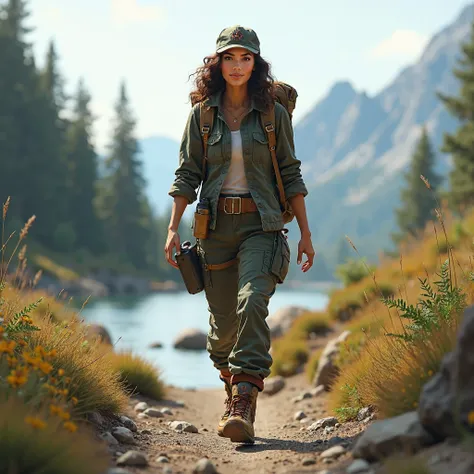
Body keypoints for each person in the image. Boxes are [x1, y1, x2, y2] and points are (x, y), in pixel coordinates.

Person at [165, 25, 315, 444]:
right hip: (213, 229)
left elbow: (291, 172)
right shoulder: (201, 115)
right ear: (217, 64)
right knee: (223, 330)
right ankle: (233, 387)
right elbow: (187, 174)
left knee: (252, 301)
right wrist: (173, 227)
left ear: (256, 63)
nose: (237, 66)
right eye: (229, 58)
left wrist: (304, 232)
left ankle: (244, 403)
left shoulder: (274, 115)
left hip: (262, 225)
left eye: (245, 58)